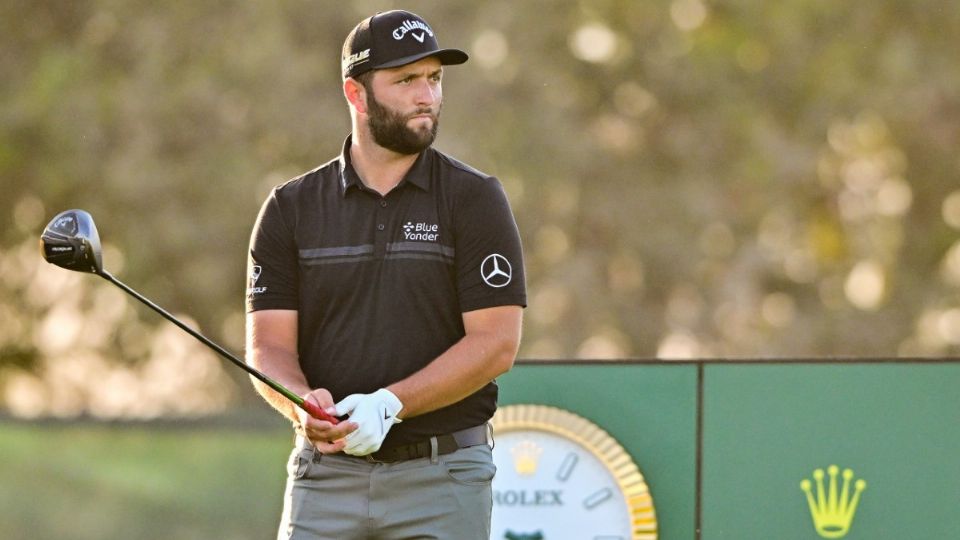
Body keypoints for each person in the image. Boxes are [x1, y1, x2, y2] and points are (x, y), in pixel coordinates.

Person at [244, 9, 526, 540]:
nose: (428, 96)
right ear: (355, 93)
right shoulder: (290, 208)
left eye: (434, 78)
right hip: (325, 481)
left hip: (443, 478)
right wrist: (301, 403)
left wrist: (390, 405)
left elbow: (495, 343)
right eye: (406, 80)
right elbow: (269, 350)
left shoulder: (474, 199)